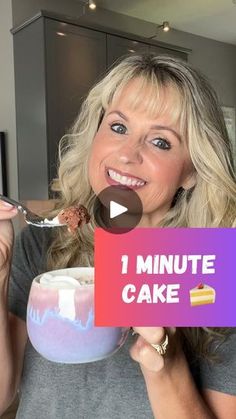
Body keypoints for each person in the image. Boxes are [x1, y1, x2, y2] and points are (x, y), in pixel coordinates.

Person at [0, 53, 236, 418]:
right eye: (118, 127)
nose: (127, 154)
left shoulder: (214, 277)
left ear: (192, 170)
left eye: (160, 142)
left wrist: (166, 363)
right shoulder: (43, 245)